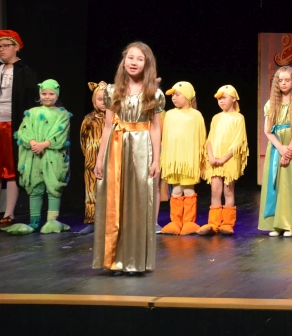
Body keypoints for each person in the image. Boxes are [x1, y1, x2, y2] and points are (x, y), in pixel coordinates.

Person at [92, 42, 165, 276]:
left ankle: (134, 260)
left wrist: (156, 160)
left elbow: (155, 128)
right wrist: (99, 158)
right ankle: (114, 259)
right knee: (115, 202)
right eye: (130, 58)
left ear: (147, 64)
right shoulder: (112, 91)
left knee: (138, 203)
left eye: (139, 59)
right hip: (116, 147)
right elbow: (107, 126)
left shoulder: (154, 93)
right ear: (124, 61)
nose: (133, 62)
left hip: (142, 148)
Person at [0, 30, 39, 232]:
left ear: (16, 47)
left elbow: (29, 102)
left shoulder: (25, 71)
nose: (1, 50)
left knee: (12, 167)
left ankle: (9, 214)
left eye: (5, 46)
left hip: (12, 124)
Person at [3, 80, 72, 234]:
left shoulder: (62, 114)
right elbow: (24, 130)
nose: (47, 97)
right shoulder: (32, 112)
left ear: (57, 94)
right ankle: (34, 222)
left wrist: (44, 144)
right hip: (33, 156)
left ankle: (52, 220)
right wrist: (32, 142)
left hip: (52, 156)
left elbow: (60, 133)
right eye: (44, 93)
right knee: (35, 187)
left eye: (51, 94)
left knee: (53, 187)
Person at [199, 85, 249, 236]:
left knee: (228, 190)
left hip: (229, 160)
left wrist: (224, 158)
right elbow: (210, 139)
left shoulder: (239, 118)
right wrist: (211, 156)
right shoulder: (216, 118)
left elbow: (239, 142)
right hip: (215, 160)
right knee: (215, 190)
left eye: (224, 98)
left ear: (233, 98)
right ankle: (214, 223)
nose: (221, 101)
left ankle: (227, 223)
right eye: (219, 99)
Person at [158, 81, 207, 236]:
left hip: (188, 161)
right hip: (173, 160)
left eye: (177, 94)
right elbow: (165, 137)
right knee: (176, 190)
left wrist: (201, 160)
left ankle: (188, 222)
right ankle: (176, 222)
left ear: (187, 95)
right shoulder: (169, 115)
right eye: (172, 95)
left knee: (188, 189)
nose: (173, 97)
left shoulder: (196, 115)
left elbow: (201, 138)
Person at [258, 66, 292, 237]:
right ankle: (276, 224)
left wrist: (289, 149)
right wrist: (281, 149)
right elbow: (267, 130)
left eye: (287, 80)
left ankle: (290, 223)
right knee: (274, 183)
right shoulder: (271, 104)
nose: (283, 83)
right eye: (280, 80)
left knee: (289, 185)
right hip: (276, 146)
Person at [77, 82, 107, 234]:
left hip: (111, 160)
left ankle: (110, 221)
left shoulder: (116, 119)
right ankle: (92, 221)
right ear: (94, 100)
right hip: (92, 160)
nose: (103, 102)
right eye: (100, 99)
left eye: (106, 99)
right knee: (91, 190)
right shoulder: (89, 119)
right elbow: (83, 139)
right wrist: (89, 155)